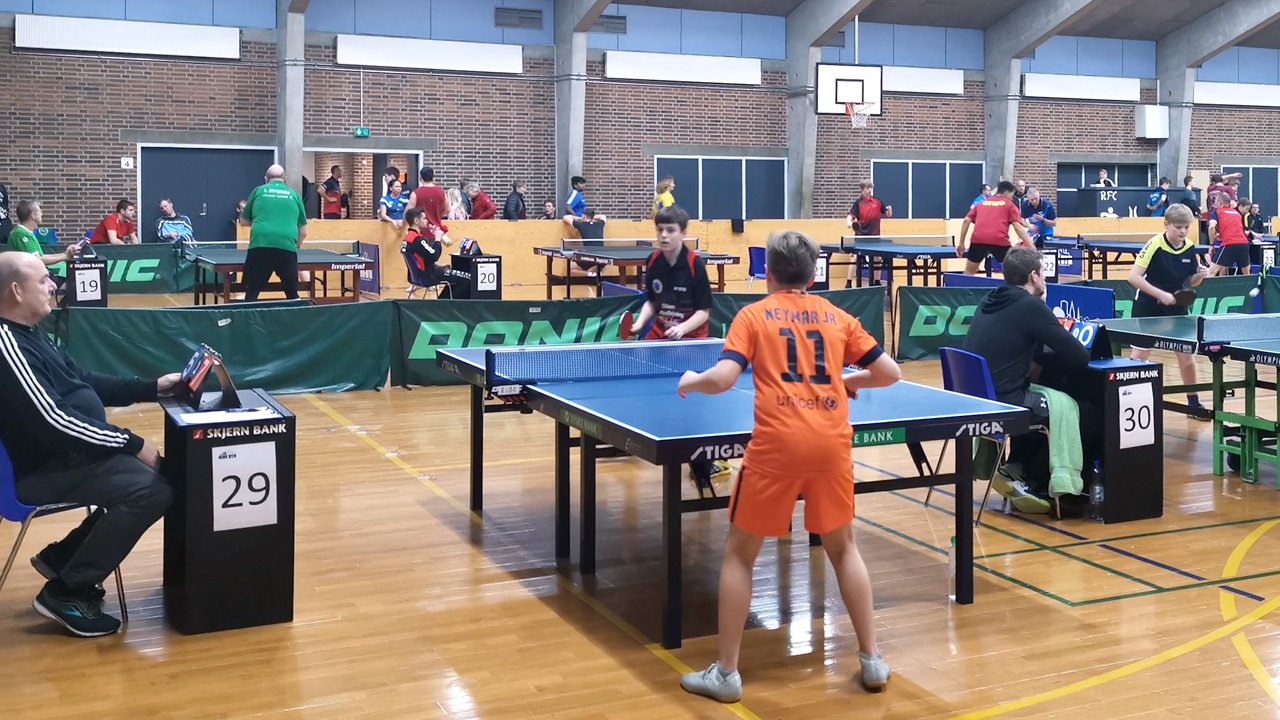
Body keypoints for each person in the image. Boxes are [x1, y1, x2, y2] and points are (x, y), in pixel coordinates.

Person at [676, 230, 899, 703]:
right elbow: (889, 373)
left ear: (769, 275)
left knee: (740, 555)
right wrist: (849, 381)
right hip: (830, 448)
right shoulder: (838, 316)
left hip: (775, 450)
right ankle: (872, 658)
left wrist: (692, 381)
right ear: (814, 275)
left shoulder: (752, 315)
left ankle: (727, 673)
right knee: (844, 549)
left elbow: (723, 378)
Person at [0, 252, 180, 637]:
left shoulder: (30, 333)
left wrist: (152, 388)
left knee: (156, 481)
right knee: (152, 489)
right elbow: (55, 420)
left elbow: (82, 381)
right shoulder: (7, 346)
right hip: (41, 471)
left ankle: (62, 558)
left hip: (69, 457)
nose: (54, 285)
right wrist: (132, 443)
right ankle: (66, 591)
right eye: (44, 280)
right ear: (16, 291)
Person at [962, 246, 1091, 513]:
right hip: (1005, 401)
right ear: (1033, 276)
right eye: (1043, 273)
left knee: (1040, 397)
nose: (1044, 278)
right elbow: (1080, 356)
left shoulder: (990, 299)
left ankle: (1015, 467)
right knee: (1082, 411)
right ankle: (1046, 484)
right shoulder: (1031, 306)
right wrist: (1042, 308)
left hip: (977, 395)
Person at [632, 206, 730, 491]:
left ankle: (704, 460)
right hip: (661, 336)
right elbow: (652, 301)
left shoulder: (694, 264)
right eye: (660, 230)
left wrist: (683, 329)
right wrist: (639, 323)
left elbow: (704, 311)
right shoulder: (653, 260)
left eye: (670, 230)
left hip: (691, 341)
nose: (664, 235)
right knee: (649, 389)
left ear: (683, 233)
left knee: (691, 402)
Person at [1127, 204, 1211, 417]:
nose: (1183, 231)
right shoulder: (1154, 244)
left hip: (1176, 307)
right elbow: (1133, 277)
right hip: (1148, 305)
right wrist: (1161, 294)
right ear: (1166, 224)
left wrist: (1200, 274)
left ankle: (1193, 404)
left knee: (1186, 356)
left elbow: (1192, 281)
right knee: (1140, 356)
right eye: (1178, 227)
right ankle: (1131, 404)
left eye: (1186, 227)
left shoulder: (1189, 247)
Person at [239, 164, 308, 302]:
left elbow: (244, 221)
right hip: (287, 247)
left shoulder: (258, 191)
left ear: (266, 179)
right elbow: (304, 231)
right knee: (292, 295)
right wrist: (296, 245)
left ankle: (248, 312)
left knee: (251, 293)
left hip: (260, 246)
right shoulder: (294, 195)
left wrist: (261, 223)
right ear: (285, 179)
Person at [957, 180, 1034, 275]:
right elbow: (1018, 228)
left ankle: (962, 284)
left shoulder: (981, 203)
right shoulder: (1010, 205)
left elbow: (966, 221)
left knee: (969, 272)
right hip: (999, 240)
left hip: (978, 240)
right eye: (1011, 195)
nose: (1012, 198)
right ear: (1007, 193)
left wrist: (961, 243)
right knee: (1012, 273)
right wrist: (1032, 247)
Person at [401, 207, 454, 297]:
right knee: (464, 278)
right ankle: (446, 303)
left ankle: (443, 301)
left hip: (418, 277)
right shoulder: (417, 240)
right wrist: (437, 240)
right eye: (424, 218)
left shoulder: (407, 238)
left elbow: (424, 258)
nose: (427, 221)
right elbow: (434, 256)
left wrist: (438, 265)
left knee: (452, 272)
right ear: (416, 221)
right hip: (428, 276)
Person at [7, 201, 72, 267]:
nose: (41, 214)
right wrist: (65, 256)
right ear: (33, 216)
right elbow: (37, 260)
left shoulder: (25, 232)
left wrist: (65, 254)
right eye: (39, 212)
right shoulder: (21, 234)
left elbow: (41, 256)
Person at [1208, 191, 1251, 277]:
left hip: (1229, 243)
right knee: (1246, 274)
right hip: (1243, 243)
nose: (1214, 204)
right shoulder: (1237, 213)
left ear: (1220, 203)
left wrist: (1212, 244)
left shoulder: (1216, 212)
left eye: (1215, 202)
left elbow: (1212, 227)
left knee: (1211, 272)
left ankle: (1206, 286)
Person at [406, 166, 451, 242]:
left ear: (421, 178)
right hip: (436, 231)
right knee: (435, 249)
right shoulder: (441, 192)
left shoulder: (416, 193)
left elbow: (409, 211)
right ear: (432, 177)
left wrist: (403, 224)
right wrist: (438, 215)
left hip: (420, 231)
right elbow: (448, 209)